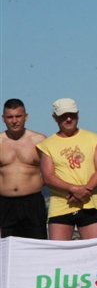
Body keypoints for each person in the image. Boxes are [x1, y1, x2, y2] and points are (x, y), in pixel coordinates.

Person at [37, 98, 97, 240]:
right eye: (64, 116)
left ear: (78, 114)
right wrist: (73, 189)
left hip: (90, 203)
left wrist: (84, 191)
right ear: (55, 117)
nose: (69, 119)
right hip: (61, 206)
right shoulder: (47, 145)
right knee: (58, 252)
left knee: (95, 250)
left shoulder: (92, 138)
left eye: (72, 115)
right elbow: (48, 177)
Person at [0, 98, 48, 239]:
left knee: (37, 246)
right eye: (10, 117)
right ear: (3, 119)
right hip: (4, 203)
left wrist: (37, 183)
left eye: (18, 116)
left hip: (32, 203)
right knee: (4, 248)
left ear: (26, 117)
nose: (14, 121)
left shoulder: (39, 140)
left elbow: (52, 170)